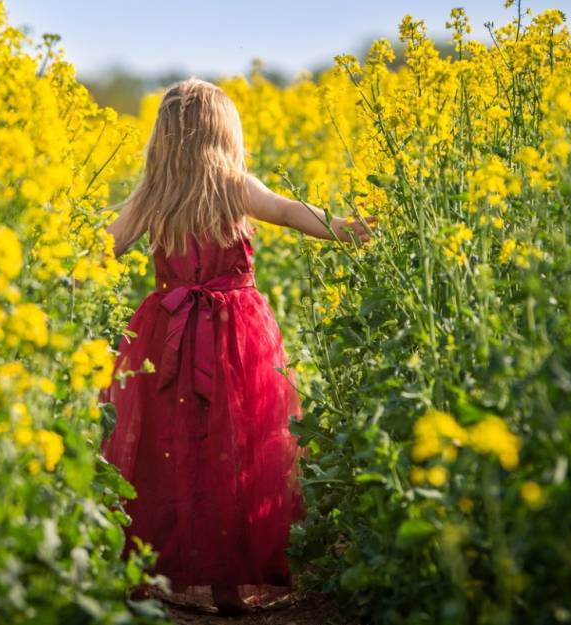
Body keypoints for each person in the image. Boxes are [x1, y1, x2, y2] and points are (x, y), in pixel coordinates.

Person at [98, 77, 377, 616]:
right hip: (235, 333)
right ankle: (229, 581)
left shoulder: (153, 192)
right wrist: (346, 229)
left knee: (170, 448)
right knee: (237, 448)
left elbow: (105, 246)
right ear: (225, 133)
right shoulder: (232, 183)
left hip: (168, 333)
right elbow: (292, 211)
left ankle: (166, 568)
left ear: (163, 138)